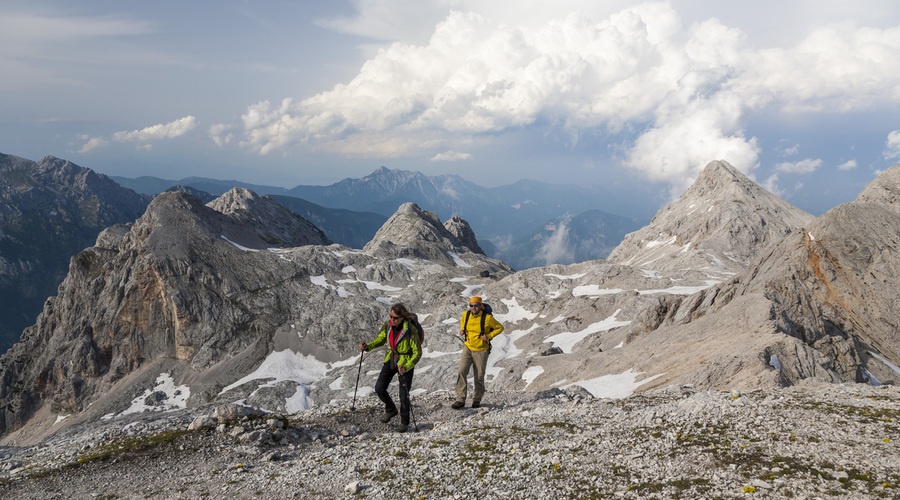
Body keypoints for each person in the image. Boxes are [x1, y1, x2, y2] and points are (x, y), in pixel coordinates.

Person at [359, 303, 422, 432]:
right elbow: (381, 339)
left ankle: (405, 422)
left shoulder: (410, 330)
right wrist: (368, 347)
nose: (392, 320)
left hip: (405, 362)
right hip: (391, 358)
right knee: (379, 388)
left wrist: (407, 366)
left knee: (404, 395)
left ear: (402, 317)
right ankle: (391, 409)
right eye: (390, 316)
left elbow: (417, 352)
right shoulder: (388, 326)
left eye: (395, 318)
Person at [452, 296, 504, 409]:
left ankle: (477, 399)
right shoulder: (466, 314)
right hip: (468, 347)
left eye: (476, 305)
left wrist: (489, 336)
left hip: (481, 350)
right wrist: (462, 328)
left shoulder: (487, 318)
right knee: (461, 370)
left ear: (480, 306)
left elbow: (500, 328)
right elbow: (462, 321)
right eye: (471, 305)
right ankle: (460, 399)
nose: (473, 308)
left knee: (479, 376)